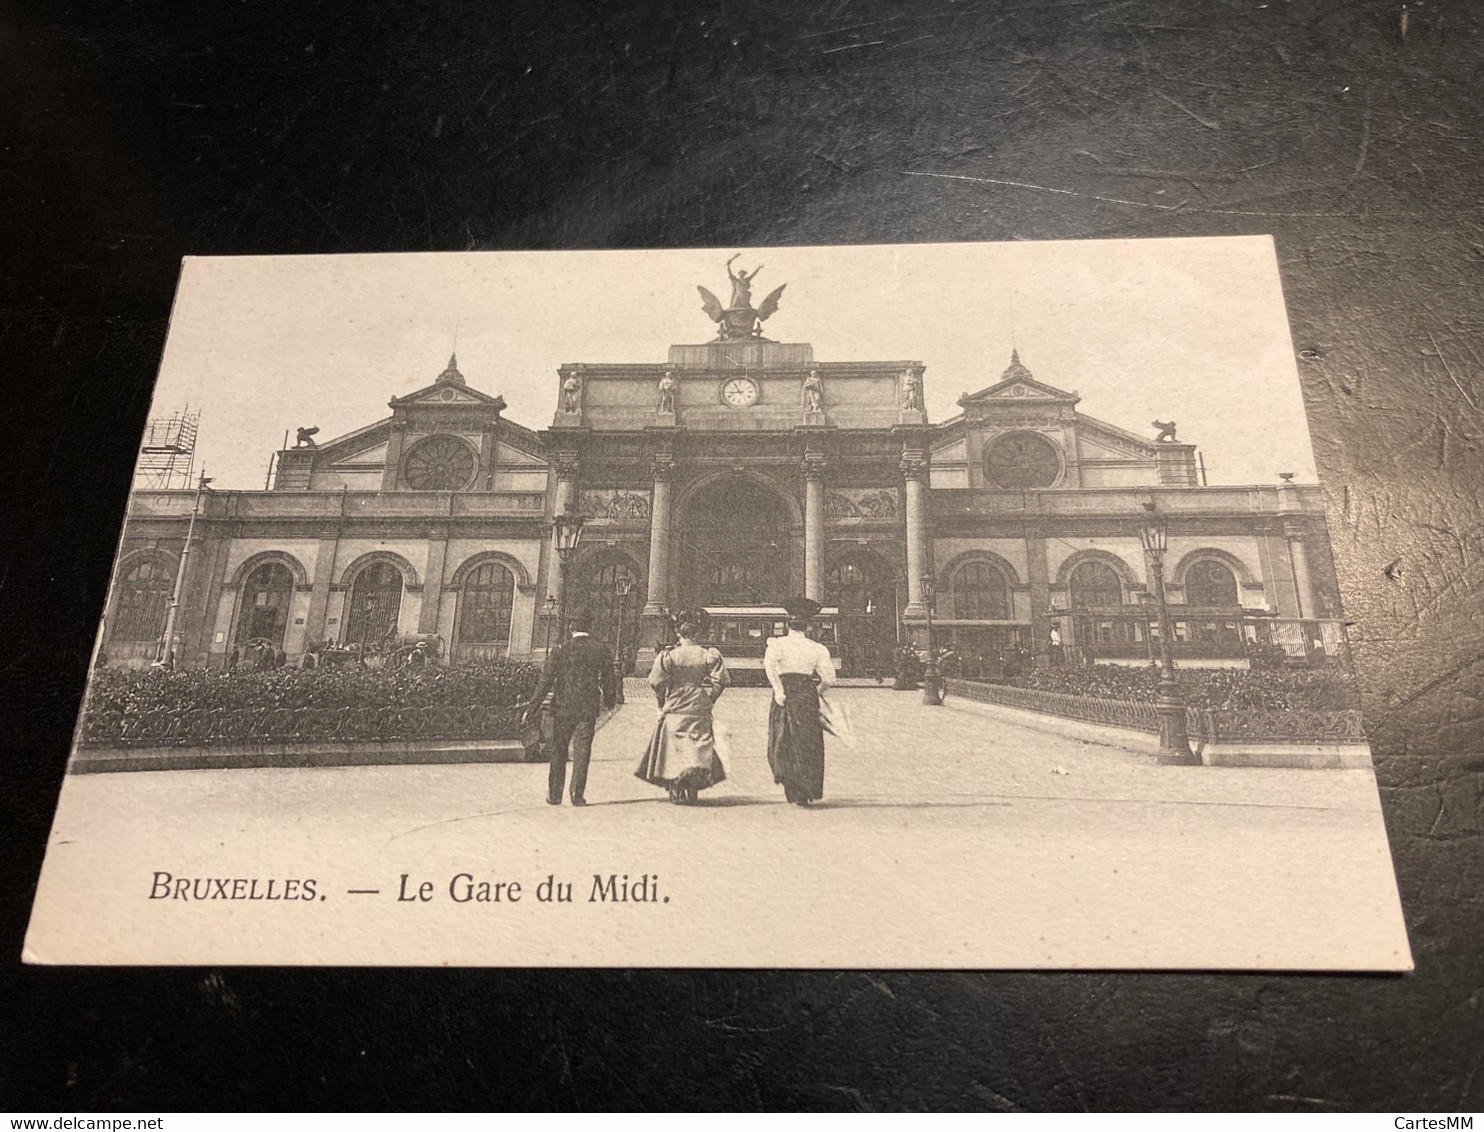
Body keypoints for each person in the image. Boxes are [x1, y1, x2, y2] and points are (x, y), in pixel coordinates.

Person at [634, 608, 729, 805]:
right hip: (698, 703)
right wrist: (709, 699)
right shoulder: (708, 655)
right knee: (697, 744)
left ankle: (675, 784)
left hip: (675, 702)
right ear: (697, 633)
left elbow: (657, 682)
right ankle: (693, 784)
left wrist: (661, 704)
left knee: (673, 746)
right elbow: (720, 682)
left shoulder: (668, 656)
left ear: (679, 633)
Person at [522, 610, 616, 806]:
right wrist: (610, 702)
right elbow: (609, 679)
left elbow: (545, 682)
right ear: (589, 627)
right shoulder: (600, 649)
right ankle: (577, 794)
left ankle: (555, 794)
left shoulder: (559, 649)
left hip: (563, 707)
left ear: (571, 627)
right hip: (587, 708)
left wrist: (531, 708)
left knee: (559, 750)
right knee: (582, 751)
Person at [763, 596, 836, 807]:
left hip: (785, 693)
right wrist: (815, 691)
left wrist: (778, 690)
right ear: (808, 625)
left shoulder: (777, 644)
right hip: (806, 695)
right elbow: (829, 679)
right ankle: (806, 789)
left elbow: (769, 666)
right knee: (808, 742)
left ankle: (791, 786)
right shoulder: (817, 648)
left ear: (788, 624)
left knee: (782, 739)